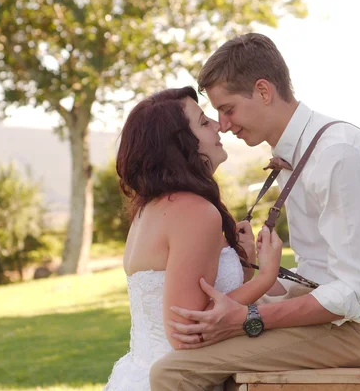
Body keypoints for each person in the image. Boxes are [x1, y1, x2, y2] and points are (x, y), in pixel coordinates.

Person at [150, 33, 360, 390]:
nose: (225, 125)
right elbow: (322, 271)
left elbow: (356, 292)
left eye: (228, 109)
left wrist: (248, 316)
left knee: (173, 373)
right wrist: (257, 278)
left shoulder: (335, 155)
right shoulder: (304, 151)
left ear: (264, 91)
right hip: (338, 312)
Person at [103, 86, 284, 391]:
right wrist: (264, 279)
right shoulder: (193, 211)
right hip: (180, 381)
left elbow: (202, 296)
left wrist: (247, 262)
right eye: (203, 122)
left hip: (140, 375)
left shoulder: (152, 208)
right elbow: (187, 330)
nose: (218, 125)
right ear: (179, 144)